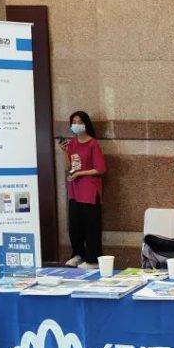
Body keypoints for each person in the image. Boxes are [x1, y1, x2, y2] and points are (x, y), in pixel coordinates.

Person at [61, 111, 106, 269]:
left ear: (86, 124)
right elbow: (69, 166)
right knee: (75, 226)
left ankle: (93, 260)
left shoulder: (93, 143)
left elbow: (100, 169)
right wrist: (64, 151)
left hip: (89, 192)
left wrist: (80, 174)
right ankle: (78, 255)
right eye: (74, 122)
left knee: (91, 227)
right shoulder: (72, 143)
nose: (76, 125)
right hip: (75, 191)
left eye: (80, 122)